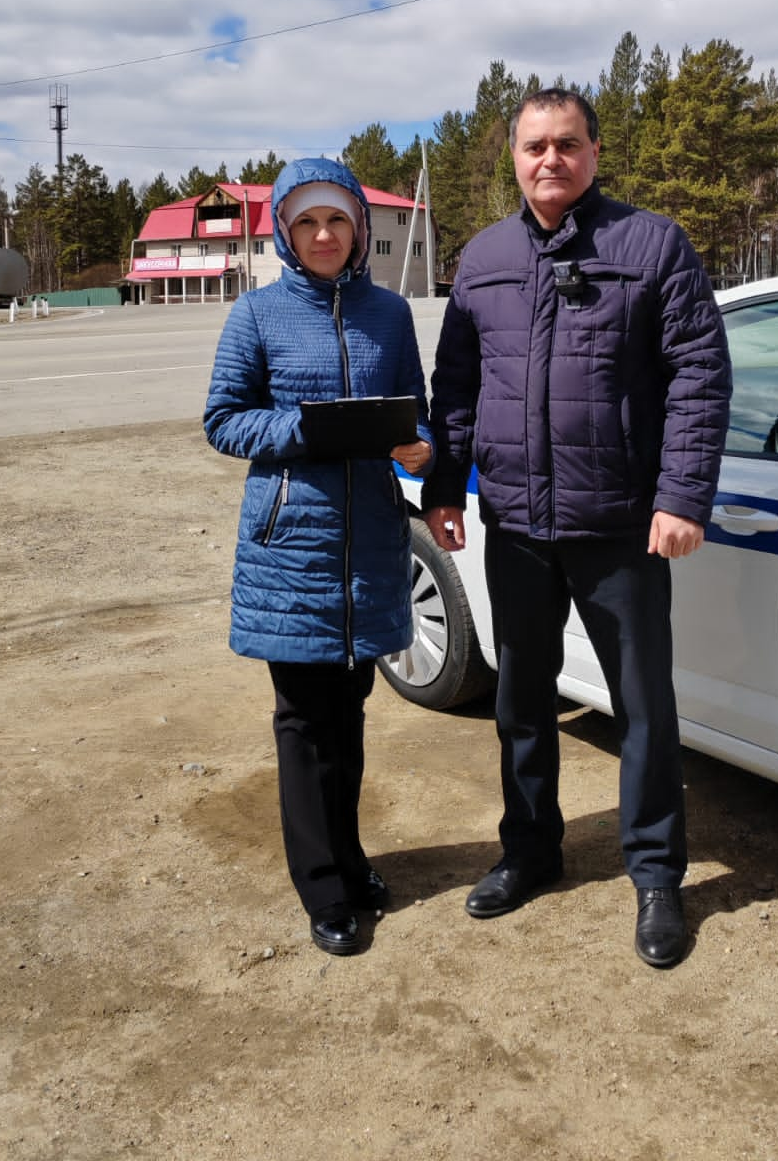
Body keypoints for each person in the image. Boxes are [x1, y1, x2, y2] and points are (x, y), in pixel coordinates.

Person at [421, 88, 730, 969]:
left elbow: (698, 378)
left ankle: (658, 877)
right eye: (533, 147)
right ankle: (528, 854)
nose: (549, 160)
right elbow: (458, 390)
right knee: (521, 701)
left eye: (566, 144)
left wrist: (681, 495)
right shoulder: (482, 260)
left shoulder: (651, 244)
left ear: (594, 153)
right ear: (512, 158)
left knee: (644, 709)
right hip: (515, 524)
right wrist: (445, 485)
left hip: (619, 527)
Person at [204, 157, 433, 957]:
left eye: (338, 220)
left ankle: (354, 856)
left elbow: (418, 410)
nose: (325, 235)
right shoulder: (257, 315)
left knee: (353, 714)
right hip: (290, 547)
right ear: (285, 233)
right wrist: (304, 429)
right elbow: (225, 420)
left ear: (360, 229)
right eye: (307, 222)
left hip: (369, 541)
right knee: (305, 724)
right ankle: (324, 888)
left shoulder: (391, 314)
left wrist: (418, 446)